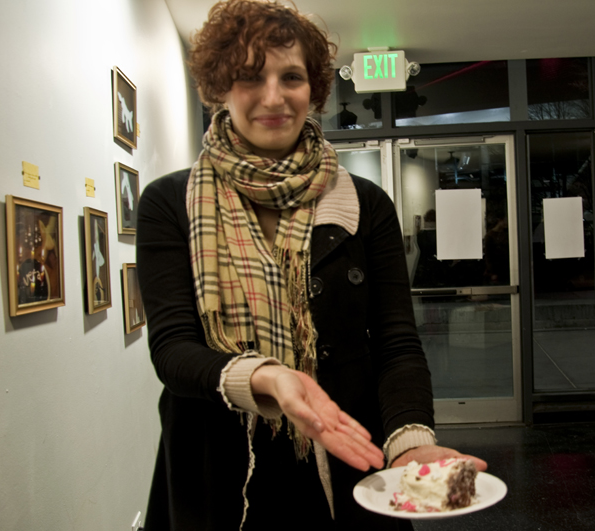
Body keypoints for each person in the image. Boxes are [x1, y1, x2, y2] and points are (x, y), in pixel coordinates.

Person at [135, 1, 486, 530]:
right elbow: (172, 349)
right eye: (250, 77)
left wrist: (411, 440)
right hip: (219, 461)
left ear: (314, 89)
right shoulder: (170, 202)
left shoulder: (366, 204)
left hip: (347, 453)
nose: (273, 97)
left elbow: (395, 340)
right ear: (219, 87)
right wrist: (268, 377)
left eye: (291, 76)